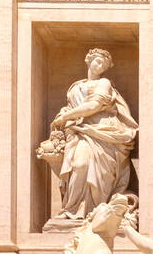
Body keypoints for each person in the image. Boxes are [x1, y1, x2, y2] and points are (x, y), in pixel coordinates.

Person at [40, 48, 138, 221]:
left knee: (85, 165)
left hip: (101, 130)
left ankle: (95, 213)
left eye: (104, 65)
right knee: (78, 165)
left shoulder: (104, 83)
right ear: (89, 60)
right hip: (78, 131)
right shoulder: (76, 86)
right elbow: (72, 106)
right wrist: (63, 115)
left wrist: (66, 116)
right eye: (98, 61)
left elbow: (94, 106)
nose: (101, 66)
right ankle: (72, 209)